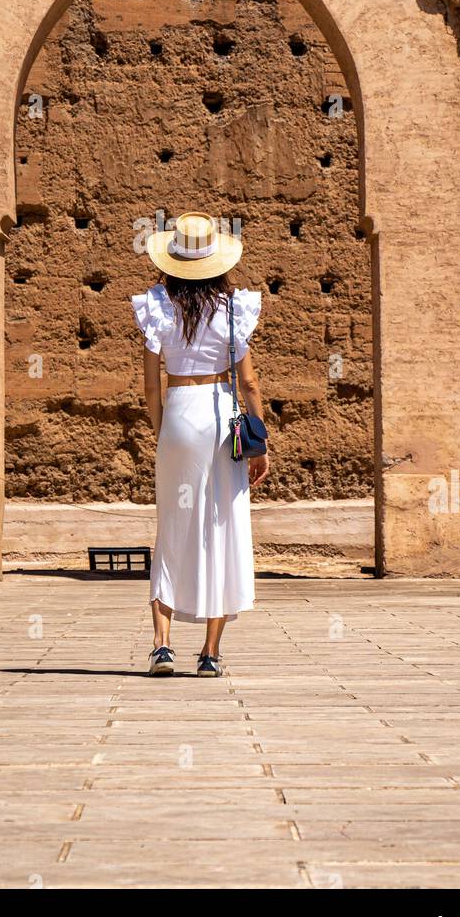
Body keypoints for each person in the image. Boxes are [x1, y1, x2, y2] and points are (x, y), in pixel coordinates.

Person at [131, 211, 269, 678]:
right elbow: (248, 385)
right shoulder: (234, 310)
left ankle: (162, 645)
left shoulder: (156, 307)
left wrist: (162, 430)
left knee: (172, 525)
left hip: (178, 412)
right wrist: (261, 439)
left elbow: (151, 388)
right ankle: (209, 653)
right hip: (221, 414)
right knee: (222, 526)